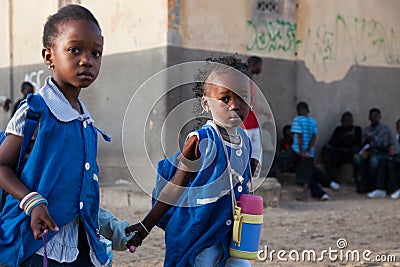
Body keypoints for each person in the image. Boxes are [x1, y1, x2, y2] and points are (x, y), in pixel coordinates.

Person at [0, 5, 130, 266]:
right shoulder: (34, 113)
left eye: (96, 53)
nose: (87, 60)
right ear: (49, 56)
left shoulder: (86, 124)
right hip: (35, 245)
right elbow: (2, 165)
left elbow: (80, 192)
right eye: (74, 50)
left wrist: (111, 227)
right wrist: (33, 202)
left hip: (80, 247)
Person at [125, 56, 255, 266]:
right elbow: (177, 184)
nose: (235, 105)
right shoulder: (201, 140)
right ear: (206, 103)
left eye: (243, 97)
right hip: (199, 234)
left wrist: (247, 166)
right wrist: (146, 225)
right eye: (225, 98)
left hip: (230, 236)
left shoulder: (244, 141)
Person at [275, 124, 339, 201]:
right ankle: (324, 191)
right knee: (309, 176)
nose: (290, 136)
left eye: (292, 134)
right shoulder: (285, 145)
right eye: (288, 135)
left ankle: (325, 189)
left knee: (312, 172)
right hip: (295, 168)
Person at [274, 102, 317, 201]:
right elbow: (314, 137)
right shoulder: (312, 122)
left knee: (278, 160)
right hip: (309, 153)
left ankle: (280, 185)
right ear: (308, 110)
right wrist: (308, 151)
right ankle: (304, 195)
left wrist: (301, 152)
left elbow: (299, 136)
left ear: (298, 111)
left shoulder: (297, 120)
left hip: (297, 150)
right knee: (307, 174)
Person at [354, 108, 392, 196]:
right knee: (357, 158)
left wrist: (374, 143)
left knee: (373, 161)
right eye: (371, 116)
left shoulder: (385, 130)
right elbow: (362, 144)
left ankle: (374, 186)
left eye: (376, 116)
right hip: (368, 151)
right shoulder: (366, 130)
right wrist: (366, 141)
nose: (373, 118)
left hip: (380, 152)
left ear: (380, 117)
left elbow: (386, 146)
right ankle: (362, 182)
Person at [322, 112, 362, 182]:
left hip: (350, 153)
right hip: (339, 152)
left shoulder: (357, 130)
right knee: (327, 149)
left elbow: (359, 144)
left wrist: (353, 137)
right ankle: (331, 177)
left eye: (349, 121)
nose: (347, 123)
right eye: (345, 121)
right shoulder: (339, 129)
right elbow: (331, 142)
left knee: (357, 157)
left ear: (352, 121)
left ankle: (356, 178)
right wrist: (342, 137)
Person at [240, 56, 263, 175]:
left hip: (253, 120)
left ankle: (253, 176)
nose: (261, 68)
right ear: (254, 65)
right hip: (245, 121)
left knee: (256, 149)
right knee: (246, 149)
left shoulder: (251, 80)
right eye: (260, 65)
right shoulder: (245, 78)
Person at [367, 119, 400, 199]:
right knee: (385, 160)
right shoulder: (398, 137)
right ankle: (380, 189)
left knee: (391, 163)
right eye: (398, 128)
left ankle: (397, 189)